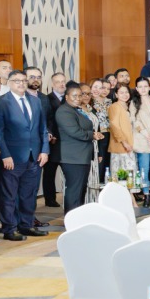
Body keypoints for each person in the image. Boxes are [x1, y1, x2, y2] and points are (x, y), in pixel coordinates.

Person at [0, 70, 49, 241]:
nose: (22, 84)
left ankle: (27, 225)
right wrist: (5, 155)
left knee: (29, 194)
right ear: (9, 83)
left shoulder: (35, 101)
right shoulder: (0, 103)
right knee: (9, 195)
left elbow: (42, 128)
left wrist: (45, 150)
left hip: (34, 156)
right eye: (17, 81)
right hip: (12, 157)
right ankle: (9, 228)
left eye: (24, 80)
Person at [54, 84, 99, 213]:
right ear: (66, 96)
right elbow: (74, 131)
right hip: (73, 157)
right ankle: (71, 220)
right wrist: (92, 135)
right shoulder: (64, 111)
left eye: (80, 95)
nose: (78, 98)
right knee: (74, 191)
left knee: (80, 190)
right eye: (74, 95)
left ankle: (77, 219)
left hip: (81, 156)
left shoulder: (75, 110)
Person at [41, 73, 67, 208]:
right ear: (52, 84)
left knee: (67, 171)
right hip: (52, 141)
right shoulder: (47, 99)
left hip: (67, 141)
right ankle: (49, 198)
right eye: (58, 82)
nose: (61, 84)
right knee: (50, 172)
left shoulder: (69, 98)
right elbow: (45, 119)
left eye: (63, 81)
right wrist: (50, 134)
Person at [107, 85, 138, 181]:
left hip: (130, 144)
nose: (125, 95)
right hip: (120, 145)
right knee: (120, 175)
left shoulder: (129, 106)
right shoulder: (114, 107)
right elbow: (115, 126)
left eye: (126, 92)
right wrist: (124, 142)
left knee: (130, 174)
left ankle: (130, 195)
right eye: (121, 92)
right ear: (116, 94)